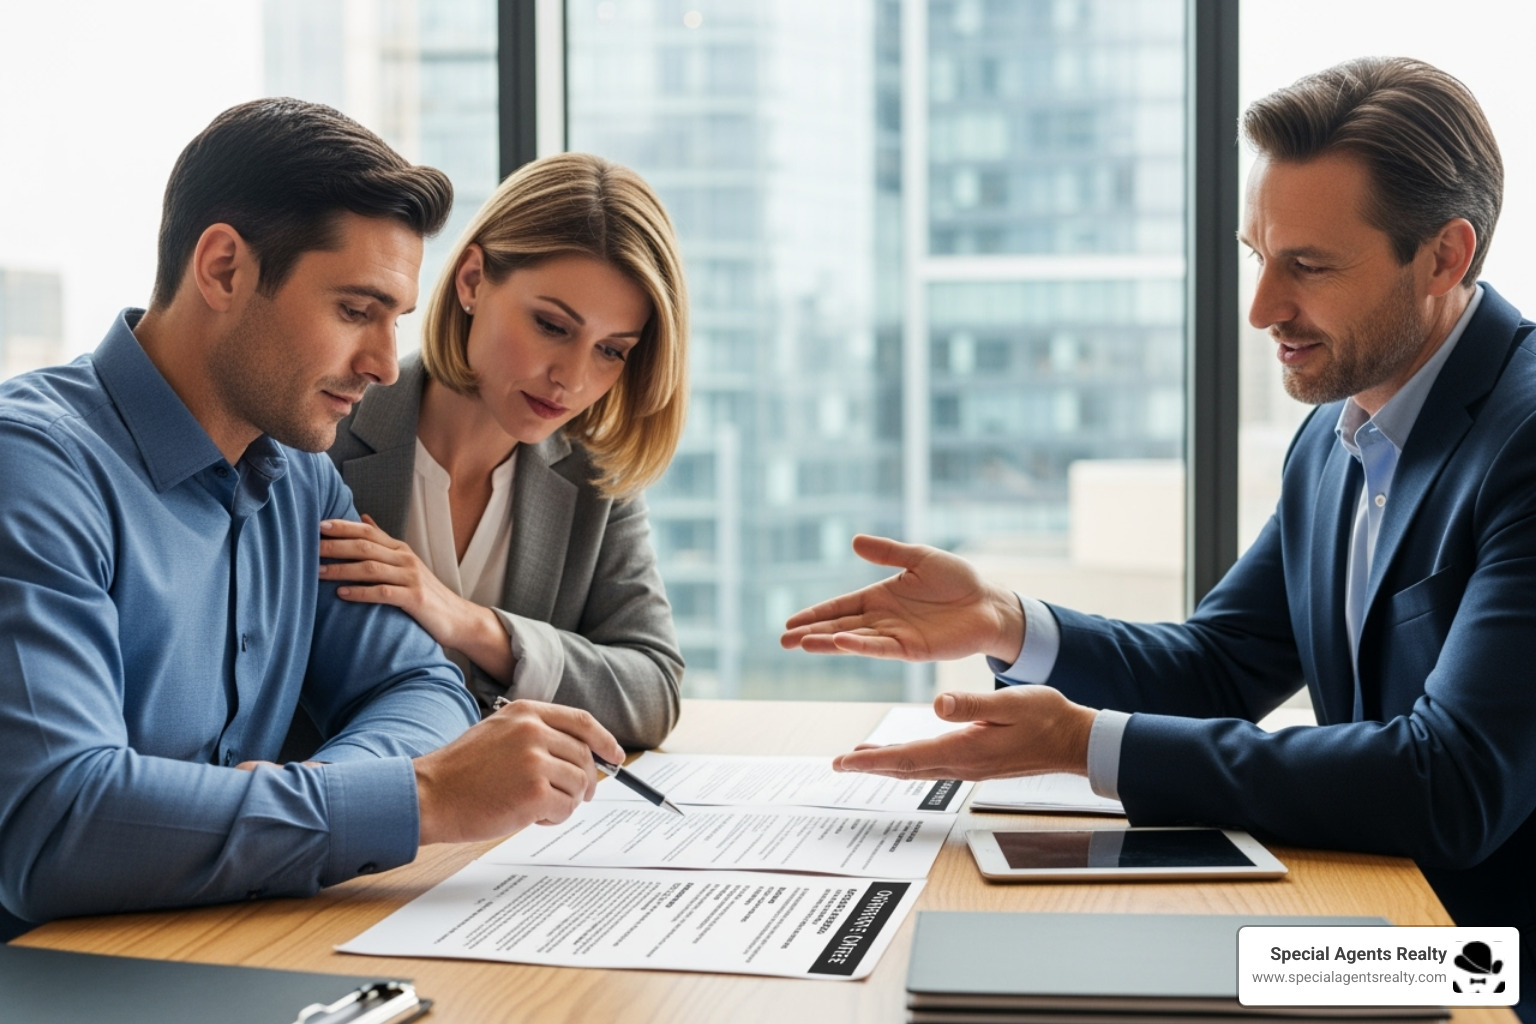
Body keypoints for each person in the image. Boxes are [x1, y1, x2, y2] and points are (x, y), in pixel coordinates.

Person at [781, 57, 1535, 1020]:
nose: (1261, 309)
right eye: (1257, 256)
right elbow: (1221, 666)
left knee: (1069, 991)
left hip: (1484, 969)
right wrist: (1009, 622)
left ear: (1443, 257)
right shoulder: (1338, 434)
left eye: (1308, 267)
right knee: (991, 978)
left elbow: (1454, 784)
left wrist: (1087, 743)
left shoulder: (1524, 438)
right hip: (1381, 923)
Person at [0, 98, 626, 936]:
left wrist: (309, 805)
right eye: (356, 311)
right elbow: (54, 825)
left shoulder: (300, 476)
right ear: (224, 269)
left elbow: (420, 685)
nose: (384, 365)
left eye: (394, 321)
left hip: (236, 942)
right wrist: (419, 797)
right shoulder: (33, 469)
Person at [320, 153, 687, 750]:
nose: (571, 379)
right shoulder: (327, 433)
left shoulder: (594, 476)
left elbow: (653, 691)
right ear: (471, 281)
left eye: (611, 351)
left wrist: (474, 626)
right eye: (552, 326)